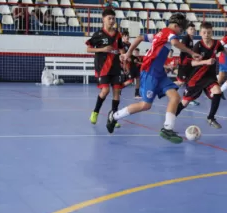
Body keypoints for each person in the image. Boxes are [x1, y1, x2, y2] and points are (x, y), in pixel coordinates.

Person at [106, 13, 202, 144]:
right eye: (181, 30)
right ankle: (114, 116)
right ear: (175, 26)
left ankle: (167, 128)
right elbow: (174, 42)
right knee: (145, 105)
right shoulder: (169, 33)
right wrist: (192, 52)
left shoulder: (159, 34)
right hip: (149, 72)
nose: (180, 33)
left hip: (159, 73)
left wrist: (128, 53)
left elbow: (140, 37)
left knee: (175, 97)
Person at [175, 22, 227, 128]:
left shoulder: (216, 44)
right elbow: (192, 63)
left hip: (209, 77)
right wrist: (205, 62)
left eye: (209, 32)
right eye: (204, 32)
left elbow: (224, 50)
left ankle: (211, 118)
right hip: (196, 78)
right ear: (201, 33)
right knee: (184, 103)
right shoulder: (197, 46)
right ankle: (169, 121)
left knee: (218, 91)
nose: (207, 34)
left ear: (212, 33)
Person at [87, 9, 125, 127]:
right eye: (109, 18)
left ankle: (113, 118)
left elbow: (121, 48)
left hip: (116, 67)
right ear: (103, 19)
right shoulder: (98, 34)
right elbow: (89, 49)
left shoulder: (118, 34)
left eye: (113, 18)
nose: (112, 20)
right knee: (105, 91)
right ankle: (95, 112)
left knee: (117, 92)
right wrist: (102, 49)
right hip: (102, 67)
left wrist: (123, 56)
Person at [175, 22, 200, 106]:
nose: (192, 31)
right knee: (180, 82)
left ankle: (188, 98)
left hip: (189, 63)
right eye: (191, 29)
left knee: (189, 81)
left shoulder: (191, 39)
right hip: (184, 64)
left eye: (193, 29)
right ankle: (164, 88)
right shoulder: (186, 38)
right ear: (187, 30)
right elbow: (181, 49)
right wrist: (191, 52)